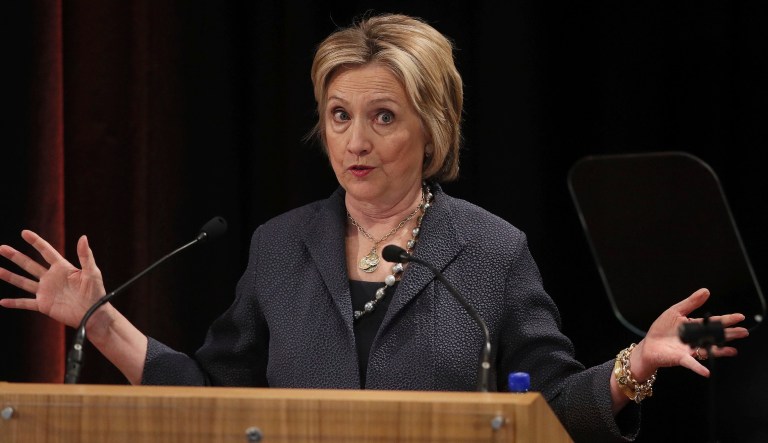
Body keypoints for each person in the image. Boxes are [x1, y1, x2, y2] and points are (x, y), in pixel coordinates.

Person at [0, 12, 748, 443]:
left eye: (382, 116)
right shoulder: (280, 246)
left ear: (432, 128)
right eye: (339, 115)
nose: (355, 141)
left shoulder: (490, 250)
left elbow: (545, 409)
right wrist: (99, 321)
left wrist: (634, 365)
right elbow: (211, 394)